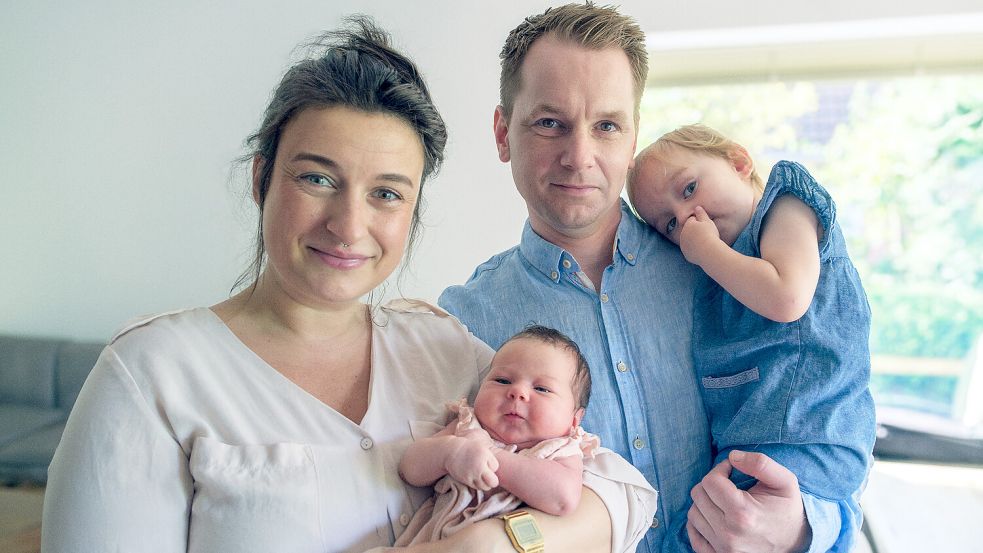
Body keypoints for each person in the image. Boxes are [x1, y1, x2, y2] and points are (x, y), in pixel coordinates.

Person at [40, 16, 649, 553]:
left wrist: (493, 543)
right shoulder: (151, 374)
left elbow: (623, 496)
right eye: (317, 179)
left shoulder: (442, 349)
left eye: (386, 193)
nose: (348, 225)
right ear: (261, 179)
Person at [439, 3, 865, 552]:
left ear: (632, 137)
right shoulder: (461, 322)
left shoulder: (729, 269)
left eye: (607, 126)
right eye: (550, 123)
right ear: (503, 133)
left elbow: (824, 413)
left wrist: (802, 527)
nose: (579, 156)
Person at [627, 123, 876, 504]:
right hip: (752, 451)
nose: (689, 218)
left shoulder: (784, 207)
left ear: (739, 162)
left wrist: (707, 252)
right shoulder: (717, 274)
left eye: (690, 188)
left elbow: (787, 297)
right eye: (671, 224)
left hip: (814, 437)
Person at [397, 325, 655, 546]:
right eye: (502, 380)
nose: (517, 392)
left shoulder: (560, 449)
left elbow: (562, 499)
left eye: (542, 388)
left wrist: (493, 456)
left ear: (574, 420)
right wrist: (450, 453)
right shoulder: (468, 428)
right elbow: (410, 468)